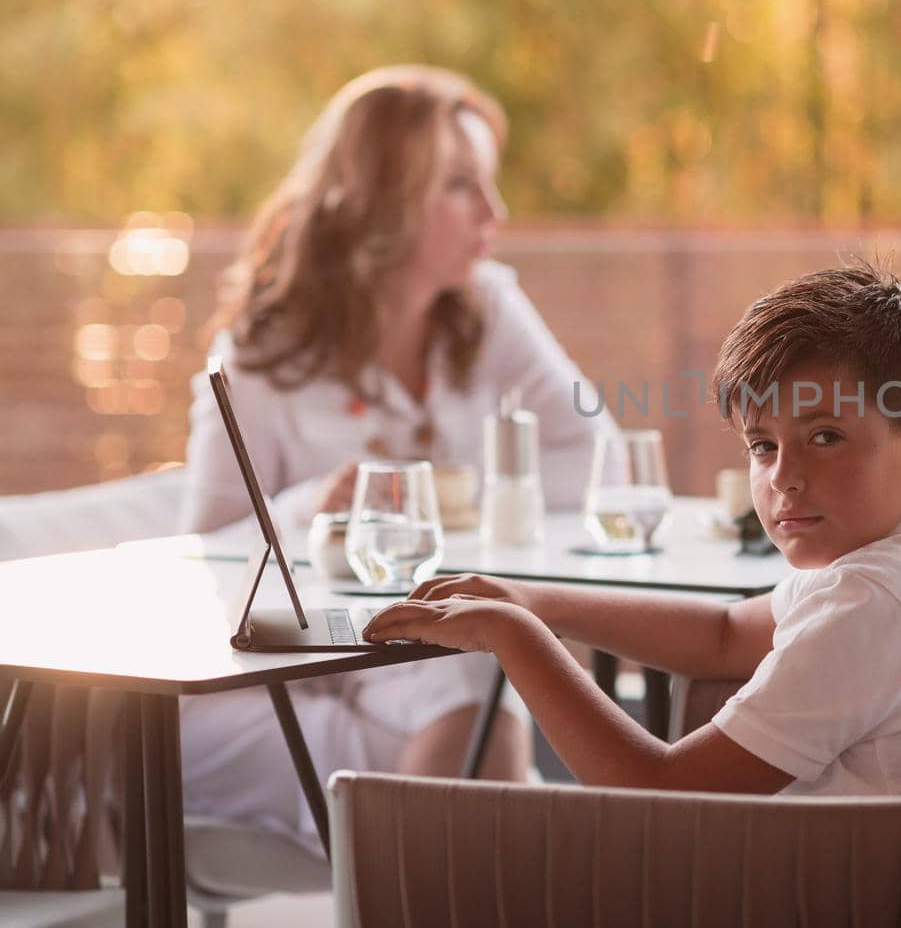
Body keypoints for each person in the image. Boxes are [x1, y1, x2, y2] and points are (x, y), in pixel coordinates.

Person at [365, 265, 901, 793]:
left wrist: (515, 637)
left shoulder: (876, 603)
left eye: (826, 436)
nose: (782, 478)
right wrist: (536, 599)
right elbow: (723, 637)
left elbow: (662, 794)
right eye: (761, 446)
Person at [177, 65, 613, 848]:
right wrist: (312, 505)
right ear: (382, 202)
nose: (496, 211)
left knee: (472, 659)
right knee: (479, 679)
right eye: (461, 186)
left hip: (421, 653)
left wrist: (449, 498)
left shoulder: (492, 309)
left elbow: (595, 454)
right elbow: (205, 550)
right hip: (317, 652)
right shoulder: (258, 355)